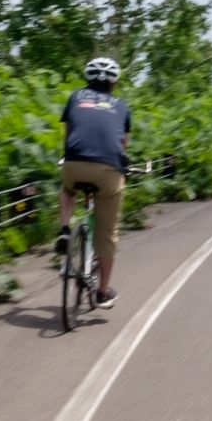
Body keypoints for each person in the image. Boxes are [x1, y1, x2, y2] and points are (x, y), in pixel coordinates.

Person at [54, 56, 132, 308]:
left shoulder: (75, 97)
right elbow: (121, 145)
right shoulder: (121, 106)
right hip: (108, 169)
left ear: (87, 79)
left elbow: (68, 137)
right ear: (114, 84)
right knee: (108, 234)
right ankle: (102, 292)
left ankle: (65, 229)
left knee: (67, 190)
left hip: (74, 164)